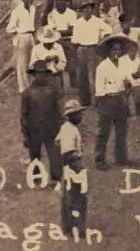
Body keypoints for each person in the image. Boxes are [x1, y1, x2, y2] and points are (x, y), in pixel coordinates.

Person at [93, 33, 137, 170]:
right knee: (103, 132)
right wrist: (104, 102)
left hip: (121, 99)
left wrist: (129, 83)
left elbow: (129, 79)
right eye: (113, 49)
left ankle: (121, 158)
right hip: (107, 100)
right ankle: (99, 160)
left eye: (118, 49)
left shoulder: (123, 64)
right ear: (108, 51)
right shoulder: (102, 67)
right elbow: (99, 89)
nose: (116, 52)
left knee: (121, 131)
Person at [21, 66, 64, 183]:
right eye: (38, 73)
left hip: (51, 128)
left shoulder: (52, 91)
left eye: (43, 73)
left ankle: (56, 178)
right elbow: (24, 115)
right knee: (35, 155)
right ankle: (36, 178)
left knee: (54, 154)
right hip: (34, 129)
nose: (41, 76)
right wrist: (25, 134)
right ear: (34, 75)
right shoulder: (27, 93)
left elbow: (57, 111)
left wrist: (60, 127)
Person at [57, 99, 90, 234]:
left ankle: (68, 226)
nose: (81, 116)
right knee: (79, 198)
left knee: (69, 197)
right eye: (78, 114)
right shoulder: (69, 130)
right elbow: (67, 153)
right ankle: (79, 228)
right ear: (71, 116)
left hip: (68, 167)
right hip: (72, 167)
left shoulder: (67, 127)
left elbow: (57, 142)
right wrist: (78, 169)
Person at [8, 0, 38, 93]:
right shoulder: (17, 11)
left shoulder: (33, 8)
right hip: (21, 37)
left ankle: (32, 84)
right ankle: (23, 88)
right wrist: (19, 32)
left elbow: (34, 23)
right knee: (21, 63)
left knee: (32, 61)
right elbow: (10, 28)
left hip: (31, 36)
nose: (30, 0)